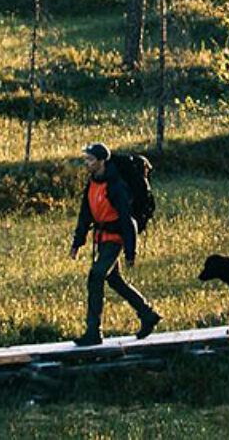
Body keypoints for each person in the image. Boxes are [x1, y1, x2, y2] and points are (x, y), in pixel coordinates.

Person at [70, 141, 161, 347]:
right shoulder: (92, 182)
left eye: (90, 159)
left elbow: (128, 220)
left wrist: (130, 251)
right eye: (86, 159)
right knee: (115, 281)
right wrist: (77, 242)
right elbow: (85, 215)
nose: (86, 163)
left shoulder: (116, 186)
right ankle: (148, 314)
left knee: (96, 276)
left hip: (115, 239)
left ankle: (93, 332)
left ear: (102, 161)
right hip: (101, 239)